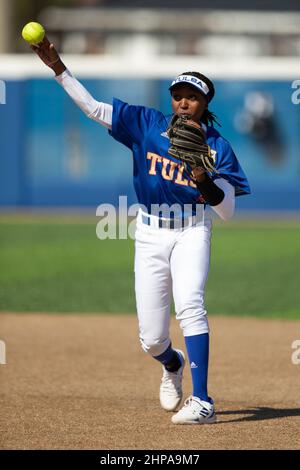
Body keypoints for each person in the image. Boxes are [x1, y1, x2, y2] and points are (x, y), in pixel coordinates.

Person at [30, 37, 250, 425]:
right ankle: (172, 363)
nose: (184, 102)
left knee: (191, 306)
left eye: (193, 97)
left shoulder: (217, 147)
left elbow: (227, 210)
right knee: (151, 339)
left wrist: (202, 178)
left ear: (206, 104)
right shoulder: (147, 124)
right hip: (150, 231)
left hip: (192, 231)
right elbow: (95, 109)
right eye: (178, 95)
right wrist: (58, 69)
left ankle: (202, 402)